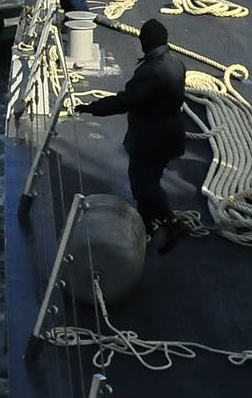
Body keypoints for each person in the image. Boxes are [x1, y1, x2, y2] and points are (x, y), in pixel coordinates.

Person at [81, 19, 191, 253]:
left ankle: (172, 223)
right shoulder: (176, 62)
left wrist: (93, 108)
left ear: (146, 42)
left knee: (143, 184)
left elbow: (126, 100)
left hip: (151, 138)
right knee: (151, 178)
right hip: (172, 135)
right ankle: (147, 224)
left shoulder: (152, 70)